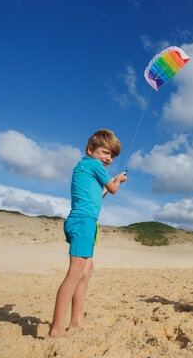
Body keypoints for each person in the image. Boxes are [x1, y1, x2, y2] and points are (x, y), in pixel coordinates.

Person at [46, 129, 127, 339]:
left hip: (88, 222)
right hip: (82, 222)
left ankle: (76, 320)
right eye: (105, 152)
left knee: (86, 271)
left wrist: (112, 183)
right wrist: (118, 181)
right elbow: (114, 189)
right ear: (90, 149)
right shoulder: (93, 164)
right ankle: (56, 329)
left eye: (112, 156)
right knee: (75, 273)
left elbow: (100, 194)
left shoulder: (85, 167)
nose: (108, 158)